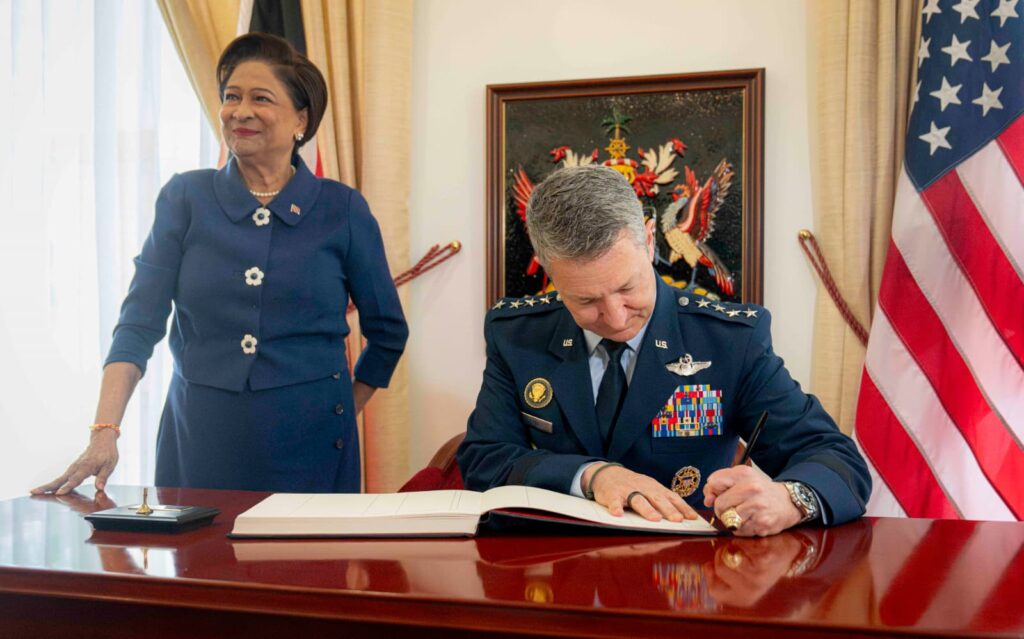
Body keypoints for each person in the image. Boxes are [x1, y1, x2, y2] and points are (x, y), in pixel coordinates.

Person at [33, 33, 407, 496]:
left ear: (301, 119)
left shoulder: (342, 209)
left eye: (260, 98)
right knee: (198, 565)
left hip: (311, 448)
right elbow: (137, 324)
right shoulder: (185, 198)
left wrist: (338, 409)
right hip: (199, 444)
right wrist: (104, 431)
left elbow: (389, 332)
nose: (239, 110)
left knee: (305, 570)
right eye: (231, 96)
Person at [456, 165, 869, 537]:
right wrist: (591, 476)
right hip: (554, 569)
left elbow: (836, 460)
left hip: (684, 572)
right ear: (548, 271)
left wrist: (789, 500)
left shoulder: (729, 339)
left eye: (626, 288)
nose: (615, 318)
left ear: (650, 240)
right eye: (586, 301)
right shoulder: (516, 333)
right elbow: (484, 458)